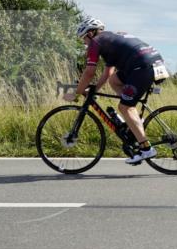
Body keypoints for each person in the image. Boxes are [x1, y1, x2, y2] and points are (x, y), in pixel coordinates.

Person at [65, 18, 170, 164]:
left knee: (124, 107)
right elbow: (108, 73)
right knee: (114, 81)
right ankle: (135, 121)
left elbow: (89, 72)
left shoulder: (95, 43)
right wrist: (94, 89)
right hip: (151, 63)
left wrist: (77, 93)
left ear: (90, 33)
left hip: (142, 68)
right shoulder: (110, 39)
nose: (84, 43)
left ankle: (146, 149)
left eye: (83, 38)